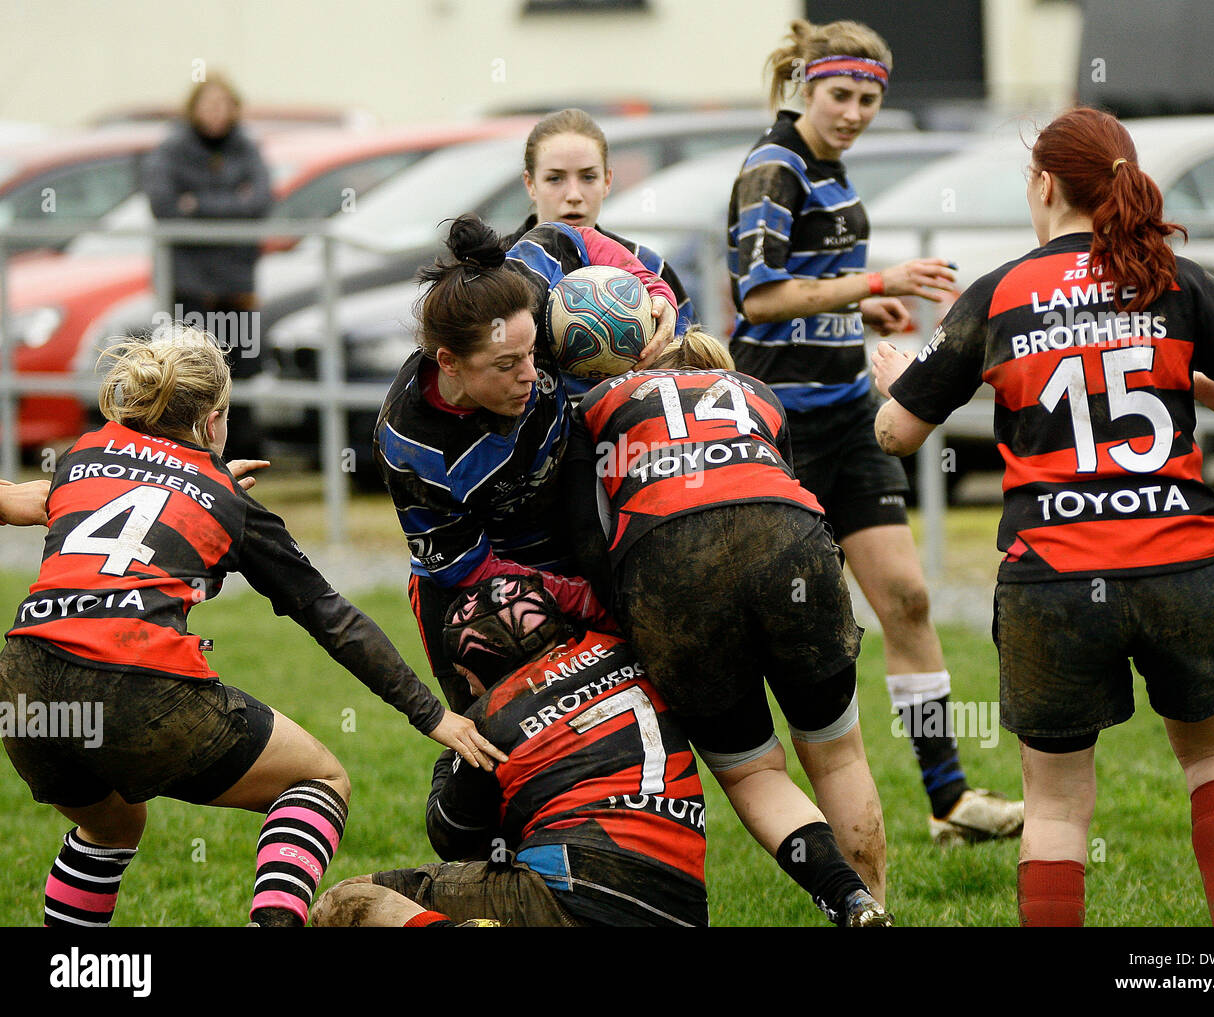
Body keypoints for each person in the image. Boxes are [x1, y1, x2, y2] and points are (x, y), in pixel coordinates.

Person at [870, 106, 1214, 926]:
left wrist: (899, 383)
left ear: (1044, 185)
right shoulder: (1172, 275)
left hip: (1055, 578)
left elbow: (897, 435)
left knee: (1058, 806)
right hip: (1186, 563)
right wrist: (1187, 382)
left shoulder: (999, 293)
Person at [0, 325, 503, 929]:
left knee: (110, 826)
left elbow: (20, 499)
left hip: (24, 683)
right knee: (318, 779)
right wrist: (431, 713)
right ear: (214, 419)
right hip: (134, 678)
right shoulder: (228, 499)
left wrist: (193, 490)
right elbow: (330, 615)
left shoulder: (83, 456)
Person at [726, 17, 1022, 845]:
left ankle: (948, 797)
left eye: (868, 98)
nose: (854, 111)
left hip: (849, 415)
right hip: (775, 427)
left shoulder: (828, 163)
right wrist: (879, 277)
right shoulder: (773, 166)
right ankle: (770, 801)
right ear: (806, 87)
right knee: (783, 619)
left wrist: (865, 303)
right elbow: (760, 299)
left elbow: (813, 285)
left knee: (907, 596)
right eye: (840, 95)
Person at [563, 327, 892, 927]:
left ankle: (847, 898)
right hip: (793, 548)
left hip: (672, 565)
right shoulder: (756, 391)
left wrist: (624, 616)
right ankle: (877, 908)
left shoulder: (596, 403)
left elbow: (588, 533)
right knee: (840, 759)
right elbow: (780, 489)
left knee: (756, 773)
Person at [374, 213, 677, 716]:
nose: (531, 376)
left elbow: (574, 237)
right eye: (506, 365)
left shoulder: (518, 291)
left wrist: (654, 296)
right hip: (487, 586)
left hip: (571, 516)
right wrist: (589, 603)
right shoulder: (414, 449)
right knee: (495, 740)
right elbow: (469, 568)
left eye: (532, 352)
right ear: (449, 362)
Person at [312, 574, 709, 927]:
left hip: (569, 898)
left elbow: (451, 837)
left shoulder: (493, 718)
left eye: (469, 680)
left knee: (345, 903)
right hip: (684, 906)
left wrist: (456, 739)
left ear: (482, 668)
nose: (469, 691)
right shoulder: (624, 649)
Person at [503, 107, 693, 395]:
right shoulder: (500, 265)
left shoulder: (650, 268)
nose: (574, 195)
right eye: (555, 179)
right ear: (530, 184)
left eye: (588, 177)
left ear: (607, 181)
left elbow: (689, 378)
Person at [142, 72, 273, 460]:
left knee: (241, 367)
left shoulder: (247, 148)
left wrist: (197, 206)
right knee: (187, 369)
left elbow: (261, 203)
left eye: (223, 104)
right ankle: (184, 451)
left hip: (237, 284)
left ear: (235, 108)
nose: (215, 113)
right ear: (193, 108)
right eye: (207, 104)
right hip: (189, 286)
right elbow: (164, 205)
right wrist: (232, 206)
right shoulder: (171, 150)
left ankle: (242, 451)